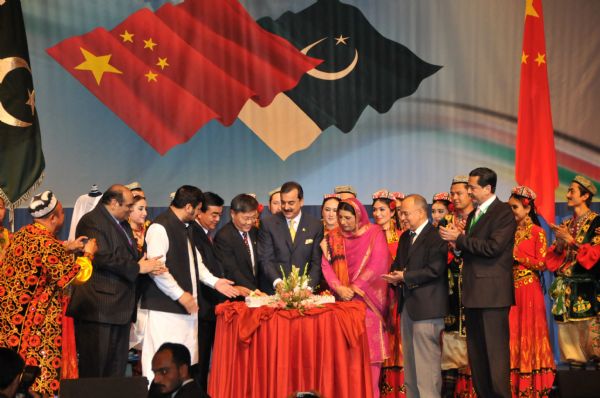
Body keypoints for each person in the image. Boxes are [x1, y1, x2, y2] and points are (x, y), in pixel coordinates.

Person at [0, 191, 96, 395]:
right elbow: (76, 275)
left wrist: (67, 247)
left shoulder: (22, 235)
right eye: (62, 213)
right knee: (38, 373)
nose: (63, 217)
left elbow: (41, 257)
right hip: (36, 323)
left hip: (11, 320)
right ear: (53, 218)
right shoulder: (47, 245)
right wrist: (88, 253)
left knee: (9, 372)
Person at [140, 185, 239, 378]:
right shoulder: (160, 227)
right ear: (188, 207)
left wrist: (215, 282)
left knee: (182, 365)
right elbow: (156, 269)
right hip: (165, 310)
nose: (197, 214)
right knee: (162, 363)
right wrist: (180, 294)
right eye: (198, 209)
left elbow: (196, 263)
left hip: (184, 309)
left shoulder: (186, 227)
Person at [67, 184, 165, 378]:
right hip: (99, 309)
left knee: (116, 373)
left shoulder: (122, 223)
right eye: (128, 206)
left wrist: (148, 263)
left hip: (120, 309)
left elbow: (127, 255)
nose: (130, 210)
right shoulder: (91, 221)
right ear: (113, 203)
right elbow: (102, 256)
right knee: (96, 372)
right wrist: (138, 267)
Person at [439, 167, 516, 398]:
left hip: (492, 294)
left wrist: (460, 239)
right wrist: (457, 246)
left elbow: (493, 248)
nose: (469, 191)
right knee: (478, 356)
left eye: (472, 187)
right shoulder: (475, 214)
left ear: (487, 188)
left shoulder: (503, 212)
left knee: (495, 355)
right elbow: (472, 249)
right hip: (473, 292)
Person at [321, 198, 390, 398]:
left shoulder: (374, 233)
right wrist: (339, 288)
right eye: (340, 217)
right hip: (342, 305)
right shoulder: (332, 238)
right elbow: (326, 265)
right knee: (345, 360)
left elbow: (378, 263)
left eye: (348, 217)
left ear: (359, 216)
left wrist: (354, 287)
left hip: (367, 304)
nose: (343, 222)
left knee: (370, 361)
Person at [383, 194, 448, 397]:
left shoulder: (436, 236)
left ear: (420, 213)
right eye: (401, 213)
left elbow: (435, 270)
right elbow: (399, 265)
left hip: (427, 310)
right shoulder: (405, 237)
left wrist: (406, 276)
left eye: (406, 213)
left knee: (427, 368)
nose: (402, 217)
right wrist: (394, 275)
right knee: (410, 367)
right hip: (408, 308)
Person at [547, 175, 599, 370]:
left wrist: (571, 241)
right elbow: (553, 258)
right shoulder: (567, 223)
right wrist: (560, 245)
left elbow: (595, 255)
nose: (567, 195)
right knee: (568, 337)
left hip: (588, 288)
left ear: (585, 196)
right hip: (566, 286)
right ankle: (575, 371)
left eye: (572, 191)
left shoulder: (597, 223)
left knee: (591, 332)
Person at [507, 186, 555, 395]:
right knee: (512, 333)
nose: (511, 211)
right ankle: (513, 383)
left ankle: (534, 384)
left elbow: (542, 263)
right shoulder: (507, 232)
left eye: (515, 207)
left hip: (529, 290)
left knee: (529, 331)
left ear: (527, 209)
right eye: (509, 207)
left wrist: (517, 256)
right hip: (509, 289)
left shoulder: (538, 232)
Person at [190, 192, 228, 393]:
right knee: (200, 363)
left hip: (210, 308)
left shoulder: (204, 234)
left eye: (220, 215)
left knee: (206, 363)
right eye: (213, 214)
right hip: (201, 308)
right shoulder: (193, 234)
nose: (217, 219)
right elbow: (200, 271)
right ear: (199, 213)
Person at [441, 175, 475, 398]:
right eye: (452, 193)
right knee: (451, 347)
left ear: (470, 193)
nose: (454, 197)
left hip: (475, 288)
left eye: (459, 193)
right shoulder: (445, 222)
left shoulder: (479, 220)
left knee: (477, 345)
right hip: (452, 291)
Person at [259, 181, 323, 294]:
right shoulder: (268, 223)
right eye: (283, 202)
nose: (286, 207)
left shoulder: (315, 225)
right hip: (275, 292)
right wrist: (278, 283)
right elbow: (266, 259)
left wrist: (308, 288)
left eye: (291, 203)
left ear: (301, 201)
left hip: (305, 293)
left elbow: (316, 262)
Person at [371, 189, 405, 397]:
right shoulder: (368, 236)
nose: (377, 214)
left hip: (395, 301)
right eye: (374, 210)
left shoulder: (402, 238)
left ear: (393, 212)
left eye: (382, 209)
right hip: (374, 302)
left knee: (398, 347)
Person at [214, 194, 262, 294]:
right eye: (245, 218)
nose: (249, 222)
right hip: (238, 294)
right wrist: (253, 290)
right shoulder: (224, 237)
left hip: (258, 291)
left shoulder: (254, 231)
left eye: (253, 217)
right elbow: (232, 270)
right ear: (232, 214)